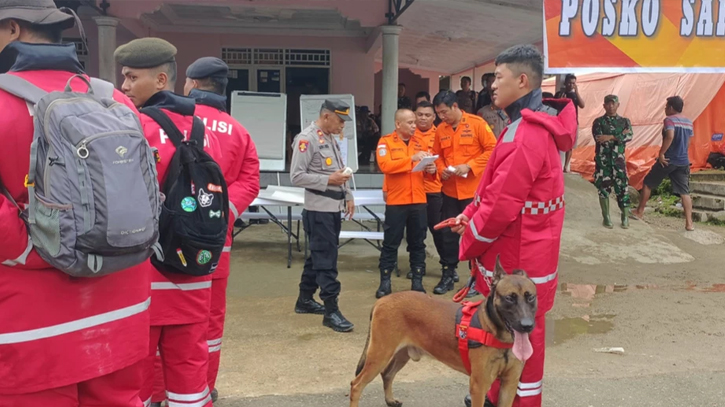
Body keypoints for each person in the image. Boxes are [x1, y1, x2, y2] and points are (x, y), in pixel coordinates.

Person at [0, 3, 152, 406]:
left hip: (30, 324)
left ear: (12, 29)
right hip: (121, 310)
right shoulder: (116, 100)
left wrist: (39, 248)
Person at [454, 44, 577, 407]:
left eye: (498, 77)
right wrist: (470, 211)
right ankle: (498, 394)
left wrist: (469, 241)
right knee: (519, 328)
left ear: (522, 80)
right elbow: (495, 189)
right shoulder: (529, 125)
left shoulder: (525, 134)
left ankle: (514, 401)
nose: (492, 85)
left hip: (519, 252)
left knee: (518, 329)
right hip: (534, 250)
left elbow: (500, 205)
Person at [115, 38, 222, 407]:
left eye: (131, 77)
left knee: (137, 374)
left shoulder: (132, 127)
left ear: (161, 79)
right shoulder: (207, 130)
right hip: (194, 269)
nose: (123, 86)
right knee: (191, 371)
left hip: (144, 274)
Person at [185, 56, 261, 401]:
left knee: (169, 320)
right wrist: (223, 213)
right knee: (211, 321)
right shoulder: (239, 131)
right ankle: (205, 387)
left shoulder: (170, 122)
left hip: (170, 243)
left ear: (192, 84)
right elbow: (250, 180)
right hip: (217, 242)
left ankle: (160, 391)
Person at [290, 99, 356, 332]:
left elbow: (340, 171)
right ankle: (331, 310)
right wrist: (328, 180)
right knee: (326, 260)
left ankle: (305, 299)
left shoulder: (329, 137)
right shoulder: (306, 139)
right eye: (340, 120)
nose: (342, 126)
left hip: (333, 208)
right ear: (326, 116)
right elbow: (296, 177)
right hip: (318, 210)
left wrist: (348, 195)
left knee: (317, 256)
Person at [432, 90, 497, 296]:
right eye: (438, 114)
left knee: (475, 235)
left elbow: (492, 150)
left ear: (455, 107)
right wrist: (442, 168)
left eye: (444, 112)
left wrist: (469, 166)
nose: (442, 117)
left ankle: (477, 280)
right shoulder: (440, 130)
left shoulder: (477, 124)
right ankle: (448, 274)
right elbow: (438, 155)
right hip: (450, 191)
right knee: (448, 235)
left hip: (474, 193)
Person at [375, 109, 437, 297]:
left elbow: (427, 173)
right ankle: (385, 282)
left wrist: (431, 168)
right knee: (390, 243)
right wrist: (411, 159)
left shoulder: (419, 142)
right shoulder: (385, 142)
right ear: (398, 124)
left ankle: (417, 281)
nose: (414, 125)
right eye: (409, 122)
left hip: (418, 199)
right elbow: (386, 166)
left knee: (418, 243)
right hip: (397, 200)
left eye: (413, 122)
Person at [632, 96, 695, 231]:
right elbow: (689, 142)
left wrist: (661, 153)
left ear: (671, 107)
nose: (665, 109)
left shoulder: (669, 120)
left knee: (648, 183)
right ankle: (689, 223)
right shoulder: (689, 122)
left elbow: (670, 136)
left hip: (668, 160)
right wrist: (682, 153)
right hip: (683, 161)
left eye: (666, 106)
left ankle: (639, 211)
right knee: (685, 192)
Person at [592, 95, 633, 229]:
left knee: (622, 188)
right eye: (608, 104)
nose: (610, 106)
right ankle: (606, 217)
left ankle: (625, 217)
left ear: (618, 105)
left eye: (613, 103)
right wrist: (619, 136)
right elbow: (599, 138)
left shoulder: (625, 121)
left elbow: (629, 135)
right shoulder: (598, 122)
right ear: (604, 106)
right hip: (603, 161)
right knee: (603, 188)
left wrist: (610, 136)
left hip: (619, 162)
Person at [555, 74, 585, 172]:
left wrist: (577, 92)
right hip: (561, 122)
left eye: (573, 83)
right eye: (569, 83)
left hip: (573, 123)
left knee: (570, 145)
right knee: (558, 144)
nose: (571, 85)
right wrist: (560, 100)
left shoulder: (574, 95)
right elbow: (555, 107)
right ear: (565, 83)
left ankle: (566, 166)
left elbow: (582, 105)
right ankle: (558, 164)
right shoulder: (559, 94)